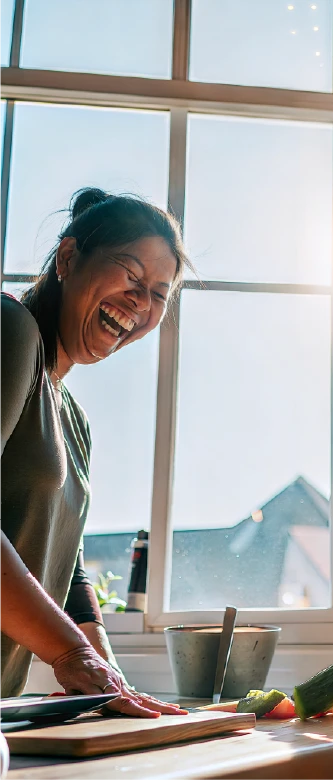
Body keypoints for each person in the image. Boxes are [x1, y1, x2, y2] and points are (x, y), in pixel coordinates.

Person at [0, 188, 190, 717]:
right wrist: (71, 654)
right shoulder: (9, 327)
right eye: (129, 274)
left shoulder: (74, 422)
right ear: (67, 259)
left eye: (157, 292)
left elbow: (68, 570)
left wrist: (111, 682)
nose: (140, 301)